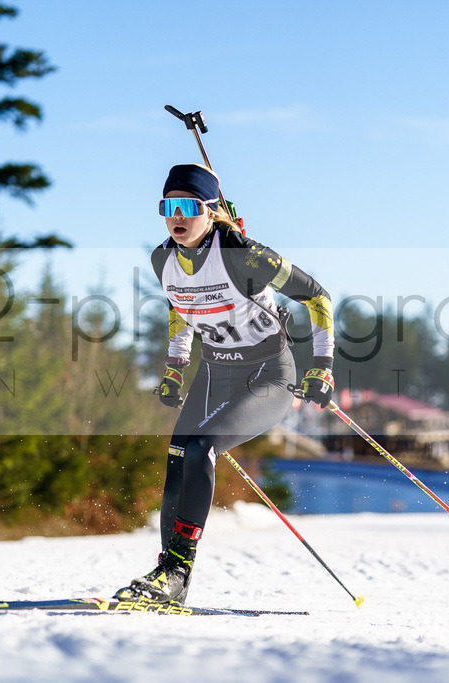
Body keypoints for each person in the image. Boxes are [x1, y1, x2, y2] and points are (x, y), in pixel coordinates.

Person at [114, 164, 336, 604]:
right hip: (214, 372)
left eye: (187, 206)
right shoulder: (163, 259)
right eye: (167, 206)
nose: (176, 216)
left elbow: (317, 296)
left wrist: (322, 366)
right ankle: (170, 577)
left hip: (267, 373)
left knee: (201, 447)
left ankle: (175, 572)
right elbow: (179, 311)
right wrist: (176, 368)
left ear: (211, 211)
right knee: (179, 459)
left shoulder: (245, 255)